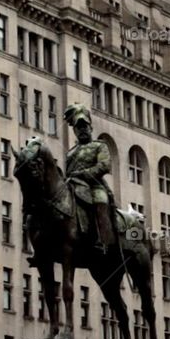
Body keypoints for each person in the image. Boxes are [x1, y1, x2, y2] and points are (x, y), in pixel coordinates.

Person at [63, 104, 115, 253]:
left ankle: (102, 240)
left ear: (90, 127)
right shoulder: (71, 152)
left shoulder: (99, 146)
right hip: (73, 186)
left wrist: (84, 174)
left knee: (100, 199)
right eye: (79, 127)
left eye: (84, 126)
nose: (82, 130)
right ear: (74, 131)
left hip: (94, 185)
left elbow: (104, 166)